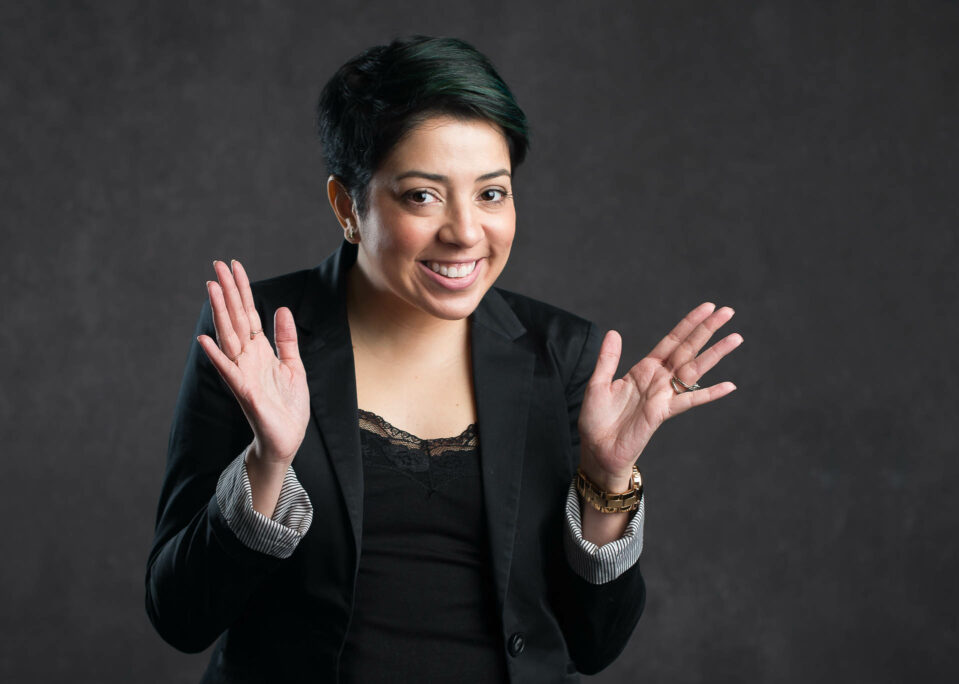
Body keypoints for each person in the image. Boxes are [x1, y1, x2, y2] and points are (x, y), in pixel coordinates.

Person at [145, 36, 742, 683]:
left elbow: (592, 645)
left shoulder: (567, 355)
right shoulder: (255, 337)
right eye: (423, 196)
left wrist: (607, 479)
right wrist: (267, 465)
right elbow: (181, 617)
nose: (464, 232)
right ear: (348, 207)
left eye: (491, 193)